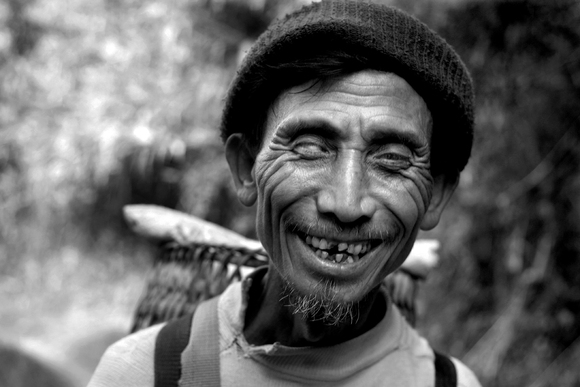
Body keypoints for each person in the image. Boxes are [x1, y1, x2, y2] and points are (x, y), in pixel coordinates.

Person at [88, 1, 481, 386]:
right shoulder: (142, 373)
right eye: (310, 148)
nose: (345, 205)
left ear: (435, 194)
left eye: (392, 160)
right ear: (246, 168)